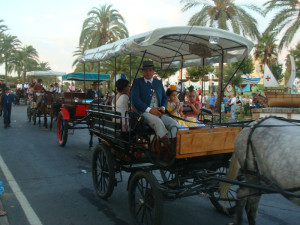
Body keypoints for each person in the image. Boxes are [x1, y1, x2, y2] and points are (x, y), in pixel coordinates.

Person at [131, 61, 179, 158]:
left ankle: (171, 144)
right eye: (145, 70)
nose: (148, 73)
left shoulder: (158, 82)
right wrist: (149, 110)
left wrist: (163, 107)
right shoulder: (137, 82)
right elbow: (135, 100)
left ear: (153, 71)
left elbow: (165, 98)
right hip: (143, 113)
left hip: (159, 112)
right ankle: (168, 149)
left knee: (174, 124)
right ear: (142, 72)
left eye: (150, 70)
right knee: (158, 122)